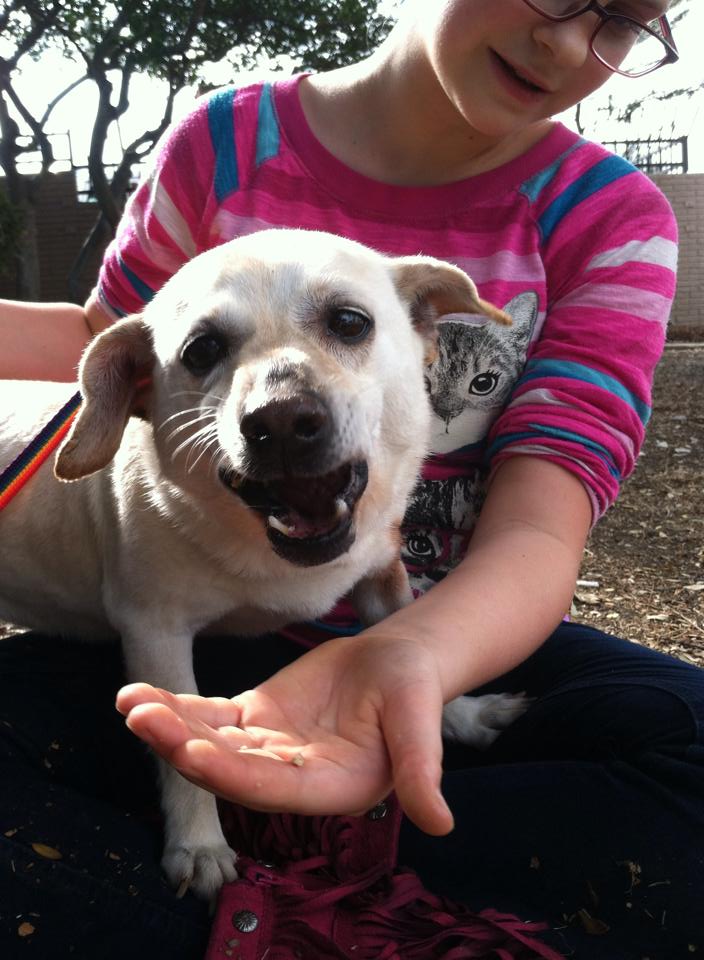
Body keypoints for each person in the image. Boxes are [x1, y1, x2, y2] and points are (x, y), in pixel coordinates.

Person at [1, 1, 701, 957]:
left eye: (623, 18)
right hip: (188, 659)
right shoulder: (221, 144)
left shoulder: (610, 219)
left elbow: (543, 522)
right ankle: (341, 882)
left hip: (447, 638)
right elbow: (110, 336)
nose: (570, 41)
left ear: (424, 316)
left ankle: (262, 894)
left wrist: (419, 663)